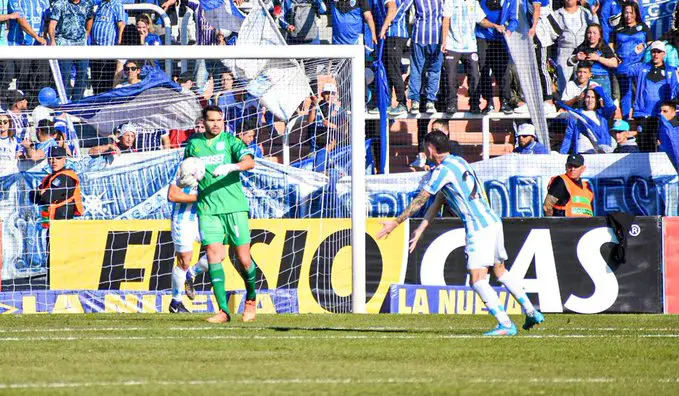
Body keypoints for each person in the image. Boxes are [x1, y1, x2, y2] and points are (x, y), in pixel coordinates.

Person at [377, 130, 545, 336]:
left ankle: (506, 324)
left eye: (424, 148)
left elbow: (422, 199)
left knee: (477, 278)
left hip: (477, 226)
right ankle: (531, 311)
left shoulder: (441, 172)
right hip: (492, 220)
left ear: (430, 148)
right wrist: (420, 229)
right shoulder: (459, 162)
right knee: (500, 271)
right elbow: (441, 199)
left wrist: (395, 223)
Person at [184, 105, 258, 323]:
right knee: (214, 256)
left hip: (234, 207)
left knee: (244, 260)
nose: (216, 124)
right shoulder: (194, 144)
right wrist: (187, 178)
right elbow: (187, 169)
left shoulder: (230, 141)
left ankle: (251, 300)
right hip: (208, 209)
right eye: (212, 120)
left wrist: (232, 167)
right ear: (203, 122)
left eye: (219, 120)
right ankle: (224, 311)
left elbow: (249, 162)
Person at [440, 0, 503, 114]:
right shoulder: (450, 1)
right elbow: (446, 19)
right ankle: (452, 104)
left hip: (470, 46)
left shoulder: (473, 2)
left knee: (474, 75)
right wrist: (444, 41)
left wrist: (494, 25)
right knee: (451, 76)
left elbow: (481, 21)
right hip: (452, 45)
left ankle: (474, 104)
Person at [166, 165, 210, 313]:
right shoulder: (183, 166)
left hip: (204, 218)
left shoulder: (211, 166)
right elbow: (172, 195)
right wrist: (198, 197)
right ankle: (176, 303)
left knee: (219, 252)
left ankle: (191, 274)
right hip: (183, 219)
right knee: (184, 261)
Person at [629, 41, 679, 152]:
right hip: (644, 115)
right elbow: (623, 69)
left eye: (659, 52)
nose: (656, 54)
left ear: (664, 54)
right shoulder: (642, 68)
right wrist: (636, 53)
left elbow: (676, 92)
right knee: (645, 146)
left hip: (662, 116)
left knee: (664, 145)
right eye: (654, 51)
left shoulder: (671, 71)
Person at [476, 0, 518, 114]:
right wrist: (494, 26)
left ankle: (505, 102)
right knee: (484, 69)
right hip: (483, 37)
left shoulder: (511, 1)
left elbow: (514, 19)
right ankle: (488, 102)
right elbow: (479, 18)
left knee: (502, 71)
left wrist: (509, 30)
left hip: (500, 38)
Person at [609, 2, 650, 120]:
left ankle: (640, 118)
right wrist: (614, 55)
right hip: (622, 66)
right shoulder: (618, 28)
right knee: (625, 94)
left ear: (636, 13)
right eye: (626, 12)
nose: (628, 15)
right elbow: (611, 45)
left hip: (639, 65)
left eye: (631, 12)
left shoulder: (643, 27)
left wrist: (644, 51)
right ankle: (627, 119)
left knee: (640, 92)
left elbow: (650, 43)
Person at [48, 0, 95, 101]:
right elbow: (52, 24)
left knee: (82, 74)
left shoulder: (88, 4)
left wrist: (87, 33)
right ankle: (64, 103)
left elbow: (90, 18)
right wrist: (52, 41)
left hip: (81, 45)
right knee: (65, 76)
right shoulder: (59, 4)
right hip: (64, 44)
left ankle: (77, 102)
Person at [549, 0, 598, 92]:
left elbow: (596, 29)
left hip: (583, 52)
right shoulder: (556, 14)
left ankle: (581, 104)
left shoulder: (585, 12)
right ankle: (563, 104)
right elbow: (551, 36)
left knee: (583, 83)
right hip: (564, 52)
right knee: (563, 85)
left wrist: (594, 14)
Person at [32, 146, 84, 229]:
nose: (54, 161)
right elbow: (32, 197)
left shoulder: (67, 177)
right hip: (50, 222)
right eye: (51, 158)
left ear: (64, 160)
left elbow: (48, 198)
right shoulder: (49, 178)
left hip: (63, 222)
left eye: (58, 158)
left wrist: (41, 193)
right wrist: (41, 194)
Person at [559, 86, 617, 154]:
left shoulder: (602, 114)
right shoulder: (576, 115)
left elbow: (611, 106)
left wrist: (598, 88)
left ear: (597, 99)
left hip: (601, 153)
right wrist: (562, 153)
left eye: (593, 97)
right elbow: (569, 136)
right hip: (582, 152)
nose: (590, 100)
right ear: (584, 99)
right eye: (588, 97)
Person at [568, 23, 619, 99]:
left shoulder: (604, 47)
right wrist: (576, 57)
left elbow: (615, 63)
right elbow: (569, 62)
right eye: (589, 33)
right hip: (585, 82)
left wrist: (598, 58)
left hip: (602, 81)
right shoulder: (582, 47)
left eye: (595, 33)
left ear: (599, 35)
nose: (591, 36)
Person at [378, 0, 409, 116]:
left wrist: (384, 27)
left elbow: (392, 9)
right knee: (387, 71)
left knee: (393, 71)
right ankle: (387, 103)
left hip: (395, 35)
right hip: (391, 37)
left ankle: (402, 103)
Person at [90, 0, 126, 95]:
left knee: (105, 82)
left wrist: (120, 42)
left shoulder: (117, 5)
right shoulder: (100, 5)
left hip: (108, 51)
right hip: (96, 49)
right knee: (95, 80)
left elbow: (121, 25)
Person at [658, 100, 679, 169]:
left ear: (673, 113)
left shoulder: (676, 128)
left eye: (665, 111)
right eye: (660, 111)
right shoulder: (660, 126)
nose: (661, 113)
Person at [0, 111, 20, 175]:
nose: (2, 124)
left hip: (11, 175)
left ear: (9, 124)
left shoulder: (16, 140)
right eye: (0, 122)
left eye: (5, 122)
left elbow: (22, 153)